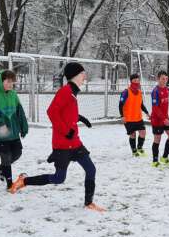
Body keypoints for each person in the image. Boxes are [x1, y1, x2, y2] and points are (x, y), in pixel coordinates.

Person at [9, 62, 105, 212]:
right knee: (59, 178)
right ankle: (24, 181)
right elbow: (52, 112)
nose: (84, 76)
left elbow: (65, 112)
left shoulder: (72, 92)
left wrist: (79, 117)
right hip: (62, 144)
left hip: (75, 143)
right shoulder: (65, 91)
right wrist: (67, 131)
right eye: (82, 74)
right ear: (74, 76)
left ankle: (88, 203)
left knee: (91, 169)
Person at [0, 69, 28, 191]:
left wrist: (23, 126)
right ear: (0, 81)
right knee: (6, 157)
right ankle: (9, 184)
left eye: (12, 82)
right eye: (8, 81)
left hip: (12, 132)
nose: (10, 84)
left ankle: (2, 168)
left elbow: (20, 112)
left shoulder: (13, 94)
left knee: (17, 153)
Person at [150, 70, 169, 167]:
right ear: (158, 79)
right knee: (157, 139)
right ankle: (155, 161)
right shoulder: (155, 91)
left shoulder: (166, 90)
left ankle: (164, 157)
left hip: (166, 118)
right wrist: (163, 119)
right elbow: (155, 108)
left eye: (166, 79)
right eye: (162, 79)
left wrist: (166, 118)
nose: (164, 81)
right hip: (157, 119)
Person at [119, 73, 150, 156]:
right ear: (131, 81)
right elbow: (120, 105)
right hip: (128, 118)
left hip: (138, 118)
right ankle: (134, 151)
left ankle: (140, 148)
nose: (136, 82)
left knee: (143, 133)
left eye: (138, 80)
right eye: (134, 80)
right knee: (133, 134)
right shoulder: (126, 92)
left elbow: (141, 104)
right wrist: (122, 116)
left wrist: (147, 112)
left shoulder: (139, 92)